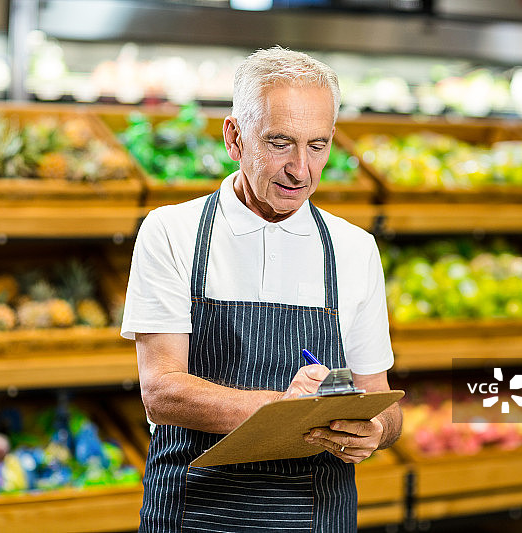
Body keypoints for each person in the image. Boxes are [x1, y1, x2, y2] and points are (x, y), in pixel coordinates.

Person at [121, 45, 402, 533]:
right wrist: (283, 411)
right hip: (195, 514)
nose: (301, 170)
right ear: (234, 137)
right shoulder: (171, 232)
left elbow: (383, 398)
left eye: (318, 146)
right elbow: (162, 393)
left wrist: (375, 430)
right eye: (279, 143)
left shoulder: (354, 249)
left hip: (317, 517)